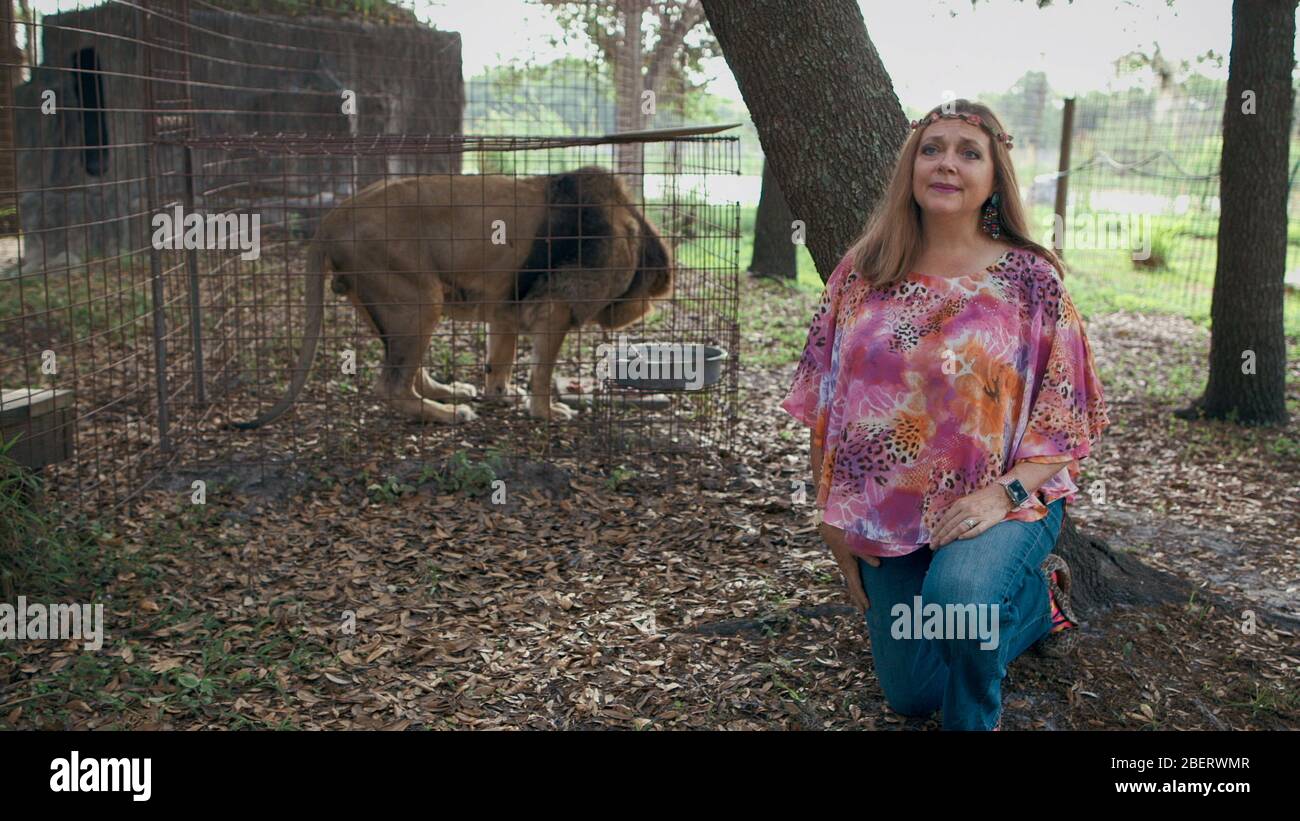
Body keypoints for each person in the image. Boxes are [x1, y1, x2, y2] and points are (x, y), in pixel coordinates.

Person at [780, 99, 1111, 731]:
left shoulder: (1030, 278)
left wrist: (1002, 494)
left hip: (1006, 498)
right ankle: (1037, 610)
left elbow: (1065, 419)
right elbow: (826, 399)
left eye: (968, 152)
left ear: (994, 176)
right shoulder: (865, 270)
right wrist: (828, 513)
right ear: (911, 167)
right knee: (912, 692)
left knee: (960, 597)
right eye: (932, 149)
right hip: (887, 506)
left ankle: (975, 714)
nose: (947, 164)